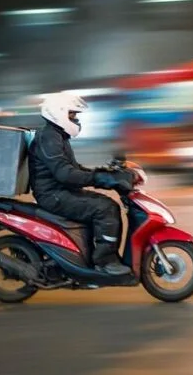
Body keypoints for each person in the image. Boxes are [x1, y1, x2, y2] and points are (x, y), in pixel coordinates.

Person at [28, 92, 134, 275]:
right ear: (58, 112)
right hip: (54, 195)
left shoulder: (56, 135)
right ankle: (104, 261)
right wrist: (100, 179)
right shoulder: (49, 137)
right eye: (72, 114)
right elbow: (65, 174)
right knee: (105, 208)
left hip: (60, 192)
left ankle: (90, 255)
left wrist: (104, 174)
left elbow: (73, 168)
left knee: (106, 204)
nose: (75, 119)